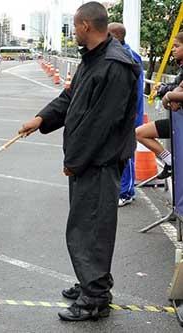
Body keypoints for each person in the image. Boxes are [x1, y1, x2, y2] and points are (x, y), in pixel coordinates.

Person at [18, 2, 140, 321]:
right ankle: (91, 281)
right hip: (88, 161)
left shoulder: (115, 65)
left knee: (91, 230)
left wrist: (74, 160)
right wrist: (41, 119)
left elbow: (102, 124)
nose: (73, 32)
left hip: (98, 161)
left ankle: (95, 298)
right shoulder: (93, 59)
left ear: (86, 25)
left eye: (75, 26)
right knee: (85, 226)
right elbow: (71, 99)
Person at [136, 31, 183, 180]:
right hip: (178, 121)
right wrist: (166, 89)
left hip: (180, 121)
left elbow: (177, 89)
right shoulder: (181, 67)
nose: (173, 49)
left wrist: (168, 94)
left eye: (177, 46)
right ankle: (170, 162)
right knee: (140, 133)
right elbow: (177, 86)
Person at [108, 23, 145, 207]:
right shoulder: (119, 54)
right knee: (118, 152)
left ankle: (127, 192)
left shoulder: (129, 57)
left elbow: (136, 91)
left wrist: (131, 114)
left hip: (129, 115)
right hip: (121, 114)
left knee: (126, 153)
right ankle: (122, 189)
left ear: (115, 36)